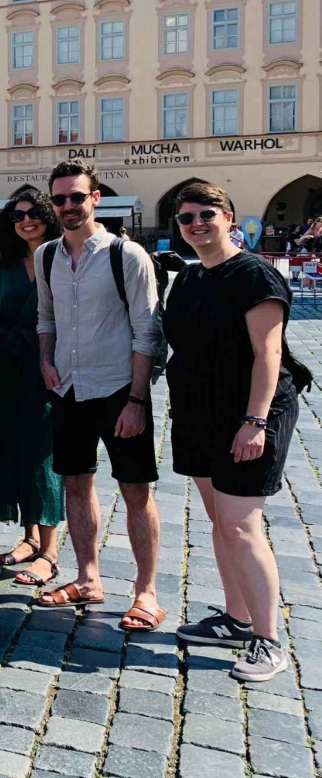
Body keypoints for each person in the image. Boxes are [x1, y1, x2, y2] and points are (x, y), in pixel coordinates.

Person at [167, 183, 303, 682]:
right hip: (199, 413)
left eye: (206, 214)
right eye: (186, 218)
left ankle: (269, 639)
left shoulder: (254, 275)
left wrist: (256, 420)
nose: (196, 224)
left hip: (248, 414)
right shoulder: (187, 279)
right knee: (221, 522)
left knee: (242, 524)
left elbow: (269, 356)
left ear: (229, 217)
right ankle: (236, 620)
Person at [34, 161, 164, 632]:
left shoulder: (126, 256)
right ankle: (88, 577)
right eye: (60, 199)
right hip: (68, 387)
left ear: (95, 198)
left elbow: (147, 331)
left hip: (116, 389)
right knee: (75, 482)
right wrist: (45, 360)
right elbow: (45, 317)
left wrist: (136, 400)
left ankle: (146, 591)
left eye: (76, 197)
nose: (68, 206)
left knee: (134, 489)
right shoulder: (45, 255)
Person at [0, 190, 64, 588]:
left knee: (43, 457)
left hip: (48, 368)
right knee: (14, 450)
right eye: (17, 216)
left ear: (48, 216)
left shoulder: (63, 258)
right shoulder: (7, 262)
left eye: (33, 214)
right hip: (5, 368)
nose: (25, 221)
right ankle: (30, 538)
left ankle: (50, 551)